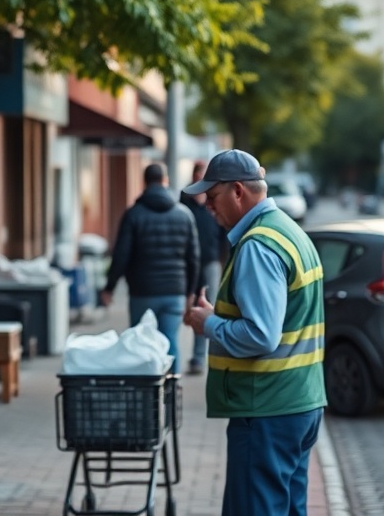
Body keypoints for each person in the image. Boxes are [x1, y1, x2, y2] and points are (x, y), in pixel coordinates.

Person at [183, 149, 325, 516]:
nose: (208, 207)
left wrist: (208, 324)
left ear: (238, 191)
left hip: (267, 409)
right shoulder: (288, 231)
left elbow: (262, 335)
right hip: (299, 402)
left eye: (212, 198)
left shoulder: (258, 246)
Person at [100, 162, 200, 374]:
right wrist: (190, 291)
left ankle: (146, 395)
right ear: (165, 181)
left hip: (142, 291)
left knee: (139, 342)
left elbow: (121, 255)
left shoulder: (133, 214)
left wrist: (109, 287)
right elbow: (194, 258)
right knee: (170, 340)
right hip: (174, 291)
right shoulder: (184, 215)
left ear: (144, 182)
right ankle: (172, 392)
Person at [181, 160, 230, 375]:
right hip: (188, 263)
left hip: (210, 261)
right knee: (189, 308)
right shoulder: (183, 204)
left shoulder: (213, 206)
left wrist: (224, 259)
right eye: (198, 176)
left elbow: (223, 235)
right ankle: (194, 357)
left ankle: (203, 356)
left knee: (209, 307)